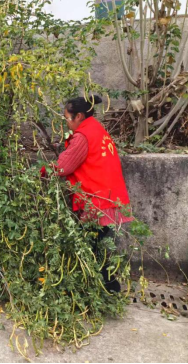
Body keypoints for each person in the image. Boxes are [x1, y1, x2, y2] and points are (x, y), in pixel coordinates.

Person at [51, 95, 133, 293]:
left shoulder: (83, 136)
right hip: (110, 199)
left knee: (92, 250)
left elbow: (62, 167)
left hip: (96, 202)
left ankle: (104, 291)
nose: (67, 124)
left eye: (68, 119)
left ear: (79, 116)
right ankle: (106, 290)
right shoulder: (98, 130)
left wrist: (43, 170)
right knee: (101, 248)